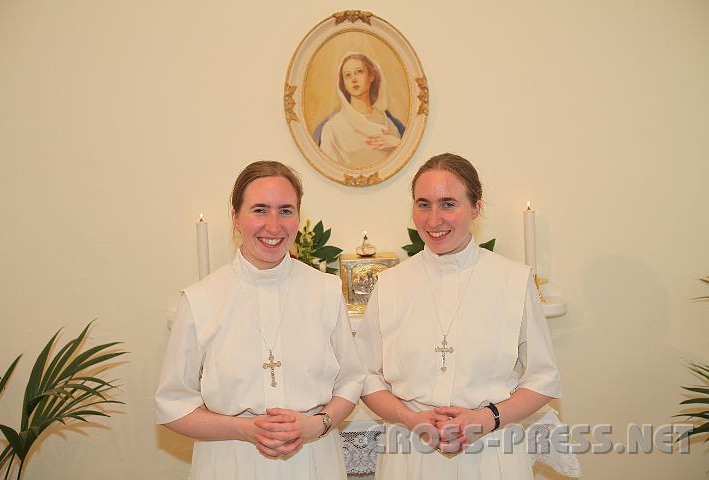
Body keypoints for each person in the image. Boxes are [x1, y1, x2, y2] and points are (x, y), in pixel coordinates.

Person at [354, 153, 562, 479]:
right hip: (410, 452)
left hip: (492, 450)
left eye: (448, 204)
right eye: (423, 204)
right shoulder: (391, 284)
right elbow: (364, 375)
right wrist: (411, 419)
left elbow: (544, 378)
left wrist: (486, 419)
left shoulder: (513, 281)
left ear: (476, 208)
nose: (434, 219)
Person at [156, 161, 364, 479]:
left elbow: (350, 380)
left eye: (285, 210)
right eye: (259, 210)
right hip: (230, 461)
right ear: (235, 218)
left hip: (313, 459)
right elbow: (172, 404)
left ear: (298, 216)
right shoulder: (201, 299)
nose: (273, 225)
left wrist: (317, 423)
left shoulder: (324, 290)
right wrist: (245, 429)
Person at [314, 52, 405, 169]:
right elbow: (328, 170)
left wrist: (397, 144)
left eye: (359, 72)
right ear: (344, 83)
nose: (354, 79)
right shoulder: (332, 128)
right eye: (348, 75)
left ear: (371, 76)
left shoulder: (388, 123)